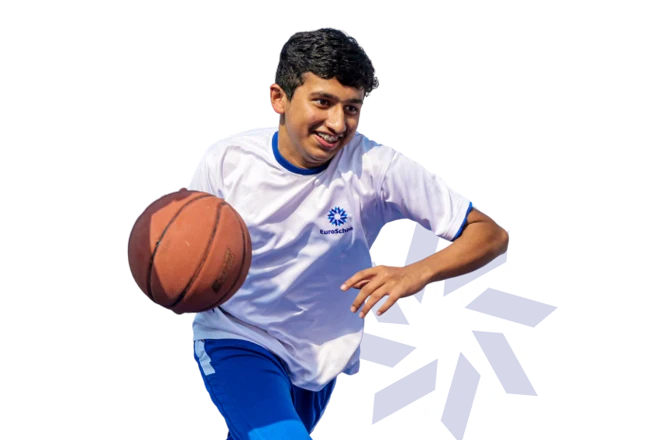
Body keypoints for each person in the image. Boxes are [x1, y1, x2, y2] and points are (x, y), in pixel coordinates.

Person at [188, 26, 510, 440]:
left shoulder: (378, 167)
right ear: (278, 98)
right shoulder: (226, 161)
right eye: (323, 102)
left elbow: (490, 234)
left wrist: (417, 272)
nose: (338, 123)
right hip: (238, 338)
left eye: (352, 108)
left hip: (322, 356)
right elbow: (183, 247)